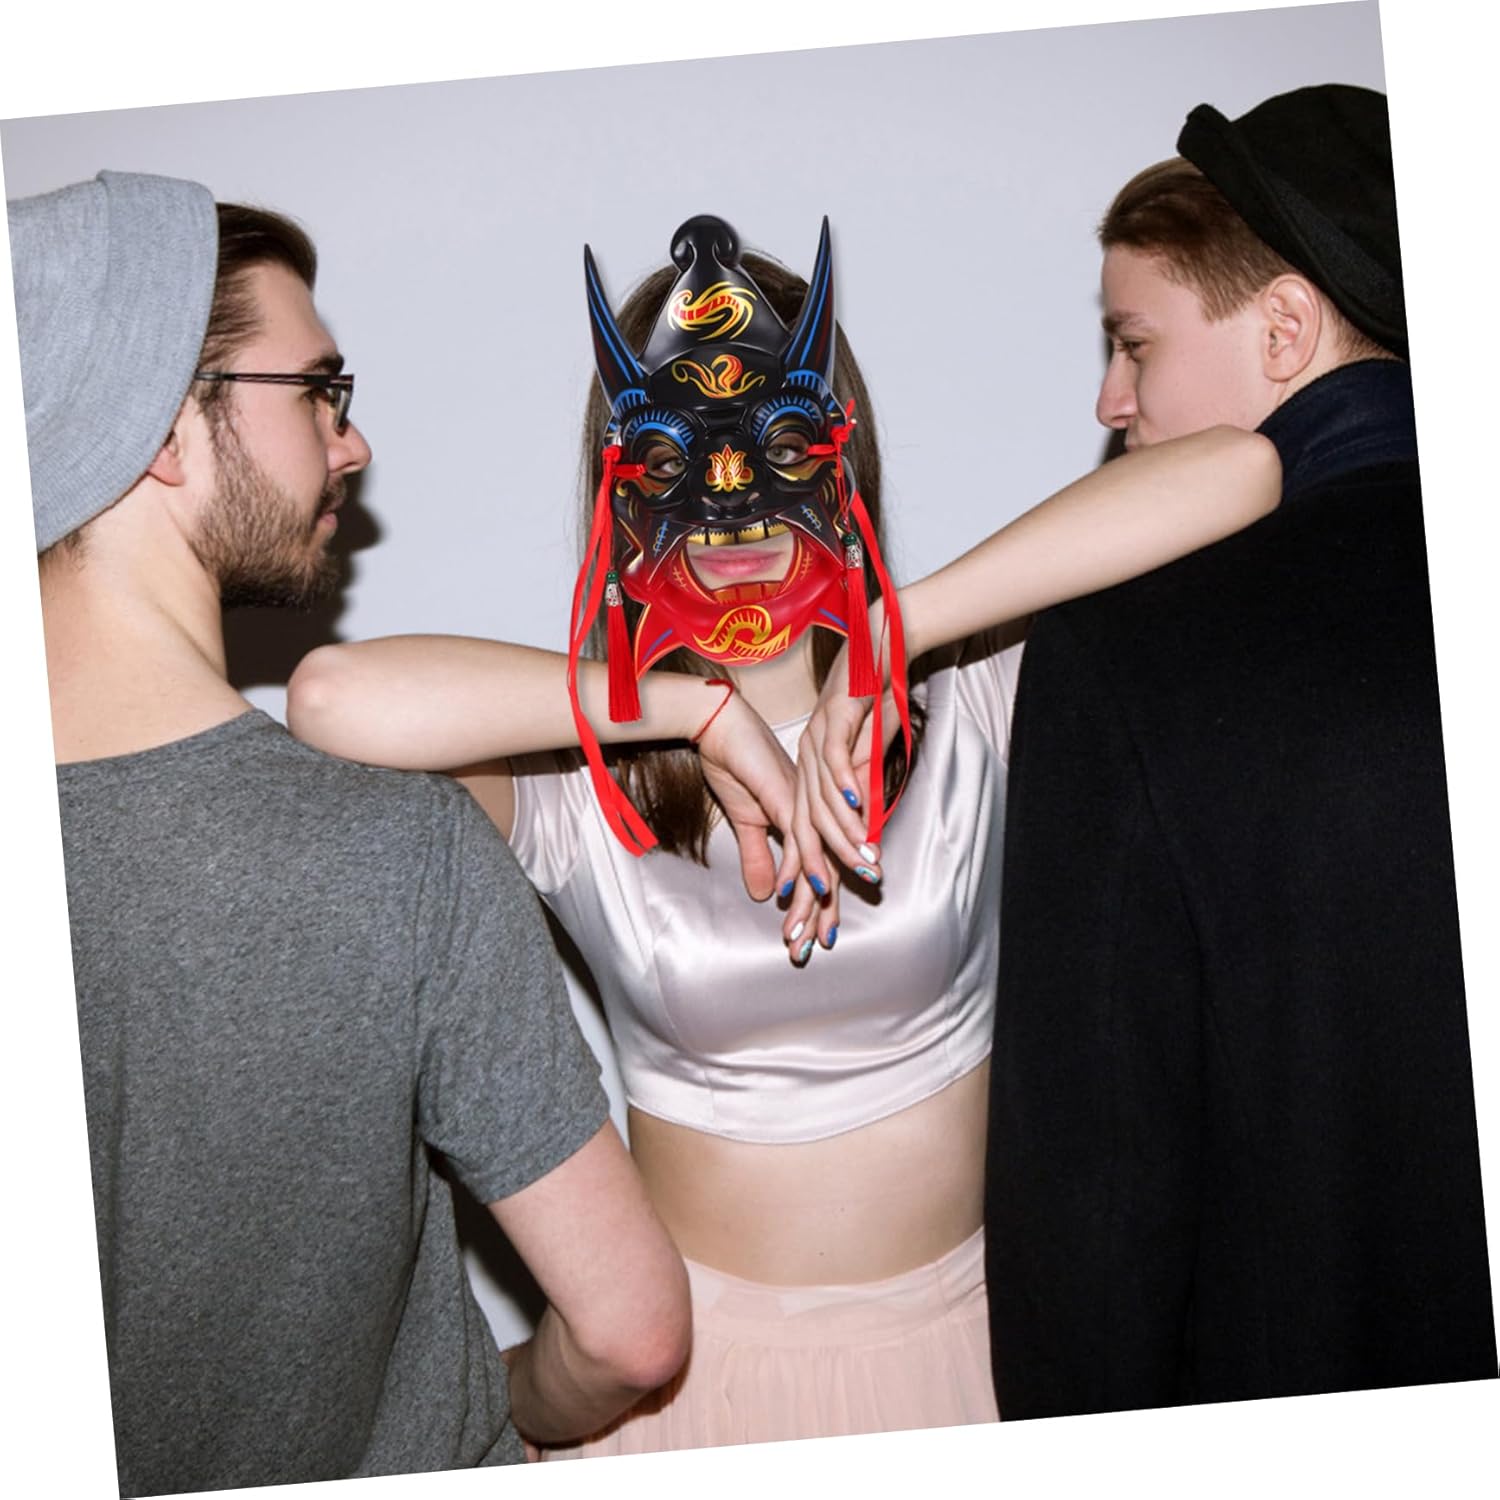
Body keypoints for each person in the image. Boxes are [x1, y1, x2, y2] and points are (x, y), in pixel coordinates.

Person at [286, 211, 1281, 1455]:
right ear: (623, 480)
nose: (737, 509)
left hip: (987, 1353)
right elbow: (330, 698)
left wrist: (888, 641)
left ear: (837, 448)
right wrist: (685, 710)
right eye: (680, 460)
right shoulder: (573, 782)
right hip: (696, 1392)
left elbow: (1241, 469)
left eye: (780, 447)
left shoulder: (970, 694)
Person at [15, 169, 690, 1496]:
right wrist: (501, 1399)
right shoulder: (394, 848)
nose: (353, 441)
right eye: (319, 391)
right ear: (166, 425)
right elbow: (633, 1331)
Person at [975, 84, 1497, 1415]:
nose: (1110, 399)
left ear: (1284, 328)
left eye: (1133, 345)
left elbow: (1093, 1213)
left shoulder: (1126, 650)